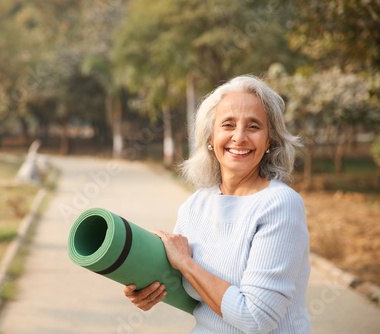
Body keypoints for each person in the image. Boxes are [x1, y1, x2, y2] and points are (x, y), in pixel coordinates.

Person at [124, 75, 311, 333]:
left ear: (269, 141)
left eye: (254, 126)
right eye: (228, 124)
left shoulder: (280, 204)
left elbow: (256, 320)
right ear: (211, 137)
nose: (240, 137)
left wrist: (185, 262)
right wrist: (148, 286)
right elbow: (190, 291)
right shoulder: (194, 206)